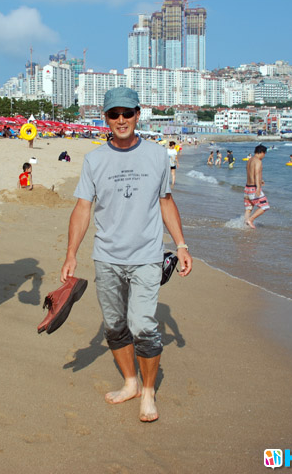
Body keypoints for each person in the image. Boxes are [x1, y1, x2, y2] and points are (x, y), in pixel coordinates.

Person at [61, 86, 193, 423]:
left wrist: (181, 244)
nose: (121, 119)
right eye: (114, 114)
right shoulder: (94, 160)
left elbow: (165, 201)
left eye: (127, 113)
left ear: (138, 114)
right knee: (115, 324)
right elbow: (82, 208)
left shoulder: (157, 155)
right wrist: (71, 254)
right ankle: (131, 382)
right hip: (107, 256)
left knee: (143, 325)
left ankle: (148, 393)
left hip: (147, 255)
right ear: (105, 118)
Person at [244, 144, 269, 229]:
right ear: (261, 152)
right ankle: (250, 220)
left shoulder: (250, 160)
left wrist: (260, 180)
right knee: (265, 206)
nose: (264, 156)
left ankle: (245, 225)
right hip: (253, 188)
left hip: (247, 188)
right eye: (264, 154)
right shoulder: (258, 161)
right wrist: (258, 187)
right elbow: (257, 174)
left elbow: (250, 172)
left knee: (249, 208)